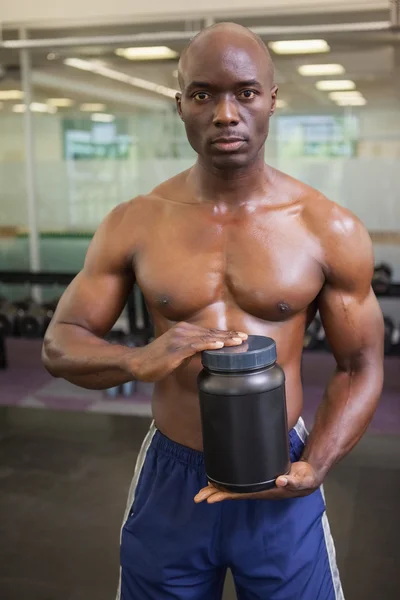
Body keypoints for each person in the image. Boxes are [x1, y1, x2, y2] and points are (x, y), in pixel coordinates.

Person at [42, 22, 384, 600]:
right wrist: (137, 360)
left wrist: (317, 464)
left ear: (273, 100)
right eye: (203, 94)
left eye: (245, 92)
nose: (226, 113)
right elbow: (60, 342)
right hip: (172, 474)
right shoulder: (136, 221)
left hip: (282, 468)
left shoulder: (328, 227)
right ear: (180, 105)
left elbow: (361, 364)